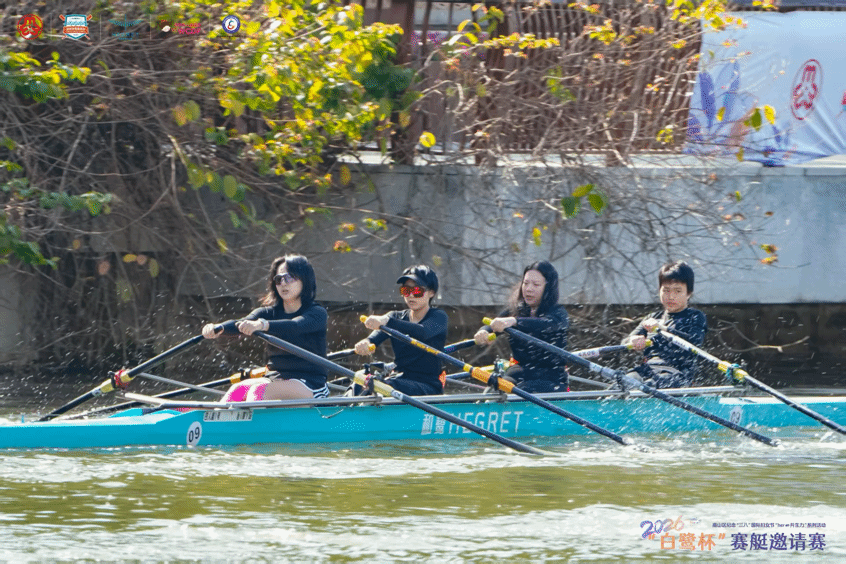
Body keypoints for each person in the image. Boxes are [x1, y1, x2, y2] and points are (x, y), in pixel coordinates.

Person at [202, 255, 329, 401]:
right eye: (279, 279)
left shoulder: (317, 313)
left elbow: (295, 326)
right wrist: (218, 328)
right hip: (274, 377)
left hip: (310, 383)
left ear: (304, 279)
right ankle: (218, 416)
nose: (283, 283)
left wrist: (263, 325)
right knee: (237, 390)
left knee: (258, 392)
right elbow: (241, 323)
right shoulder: (268, 313)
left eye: (289, 277)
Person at [473, 261, 569, 393]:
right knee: (496, 388)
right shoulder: (516, 310)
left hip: (551, 376)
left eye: (536, 285)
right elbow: (492, 325)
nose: (528, 289)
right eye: (526, 283)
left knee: (521, 390)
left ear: (548, 288)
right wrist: (483, 332)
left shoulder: (558, 313)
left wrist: (514, 321)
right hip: (519, 372)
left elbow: (546, 324)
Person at [353, 265, 448, 396]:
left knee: (381, 385)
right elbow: (373, 338)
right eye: (406, 290)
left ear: (431, 292)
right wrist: (365, 343)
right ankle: (348, 406)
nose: (411, 295)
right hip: (398, 379)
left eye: (417, 291)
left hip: (428, 386)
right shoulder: (395, 317)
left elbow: (423, 332)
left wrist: (387, 321)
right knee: (360, 379)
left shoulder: (439, 317)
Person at [622, 260, 707, 389]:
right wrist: (633, 340)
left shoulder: (696, 316)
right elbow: (625, 343)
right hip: (648, 370)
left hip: (676, 374)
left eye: (677, 291)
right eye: (666, 290)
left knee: (649, 386)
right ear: (659, 291)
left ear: (689, 293)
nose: (671, 296)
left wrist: (662, 329)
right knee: (623, 382)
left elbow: (694, 342)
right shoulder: (652, 318)